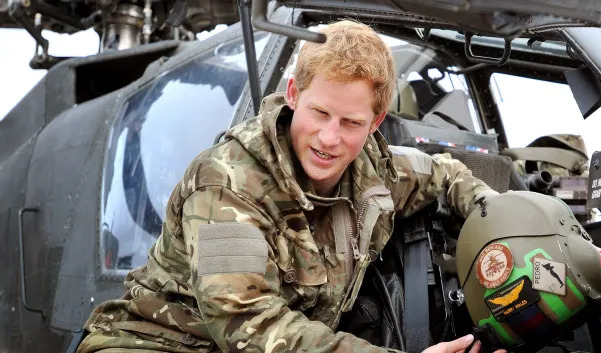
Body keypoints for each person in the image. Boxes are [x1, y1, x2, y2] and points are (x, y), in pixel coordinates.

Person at [76, 20, 505, 353]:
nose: (330, 139)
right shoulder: (226, 184)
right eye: (320, 113)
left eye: (351, 123)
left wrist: (498, 215)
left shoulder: (378, 172)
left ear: (374, 124)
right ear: (294, 94)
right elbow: (247, 325)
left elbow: (446, 173)